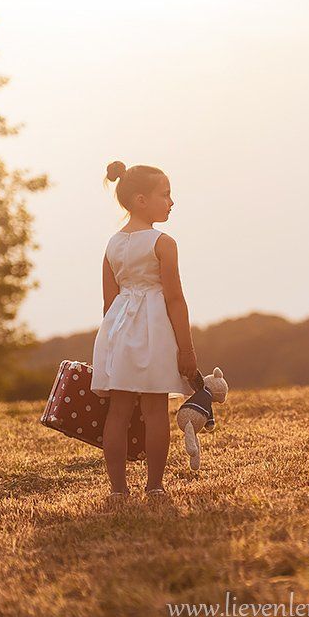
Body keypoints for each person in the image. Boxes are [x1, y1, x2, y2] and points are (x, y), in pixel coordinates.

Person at [91, 161, 198, 502]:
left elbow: (110, 303)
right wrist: (187, 349)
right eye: (165, 195)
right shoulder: (163, 243)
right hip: (153, 330)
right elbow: (174, 299)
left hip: (119, 331)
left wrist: (112, 343)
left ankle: (118, 489)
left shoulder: (112, 244)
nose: (172, 201)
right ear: (141, 200)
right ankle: (154, 486)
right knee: (154, 412)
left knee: (118, 412)